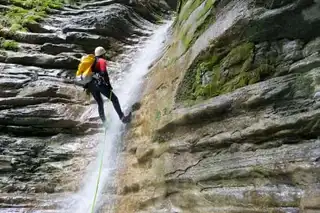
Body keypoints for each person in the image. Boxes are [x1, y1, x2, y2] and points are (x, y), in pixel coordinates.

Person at [84, 46, 131, 125]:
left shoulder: (92, 61)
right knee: (114, 99)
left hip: (91, 86)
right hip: (99, 84)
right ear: (103, 54)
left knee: (100, 103)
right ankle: (122, 118)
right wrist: (108, 85)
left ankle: (105, 123)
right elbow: (104, 73)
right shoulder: (101, 60)